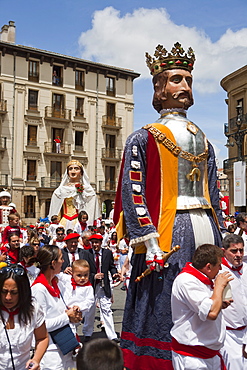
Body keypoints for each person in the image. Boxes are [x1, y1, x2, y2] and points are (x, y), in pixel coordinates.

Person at [114, 42, 225, 368]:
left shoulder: (204, 139)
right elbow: (133, 192)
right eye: (177, 79)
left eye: (188, 80)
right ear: (159, 88)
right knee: (165, 299)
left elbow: (214, 190)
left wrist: (221, 233)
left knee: (207, 292)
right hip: (169, 231)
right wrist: (148, 238)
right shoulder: (144, 137)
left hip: (205, 225)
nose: (185, 86)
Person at [171, 244, 232, 370]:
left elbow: (210, 306)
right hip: (193, 358)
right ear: (208, 267)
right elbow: (211, 314)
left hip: (210, 355)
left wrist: (220, 304)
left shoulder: (204, 279)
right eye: (219, 265)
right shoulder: (187, 281)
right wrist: (219, 287)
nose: (220, 269)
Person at [31, 245, 82, 370]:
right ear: (53, 263)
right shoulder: (39, 289)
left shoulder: (55, 284)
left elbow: (59, 312)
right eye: (60, 258)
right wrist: (67, 316)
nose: (63, 261)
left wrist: (73, 313)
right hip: (50, 352)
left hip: (63, 345)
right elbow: (41, 325)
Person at [0, 264, 48, 370]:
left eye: (14, 292)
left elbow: (42, 338)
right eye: (4, 292)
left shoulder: (33, 309)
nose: (8, 297)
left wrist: (36, 360)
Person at [83, 233, 120, 342]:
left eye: (97, 242)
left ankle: (112, 335)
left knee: (107, 309)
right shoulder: (87, 254)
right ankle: (87, 333)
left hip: (104, 285)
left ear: (101, 243)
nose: (95, 245)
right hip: (92, 285)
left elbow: (111, 267)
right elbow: (84, 270)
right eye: (93, 242)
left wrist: (114, 274)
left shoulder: (107, 253)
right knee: (90, 309)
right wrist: (94, 276)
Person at [48, 160, 99, 232]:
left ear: (81, 173)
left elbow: (91, 205)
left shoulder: (87, 189)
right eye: (70, 168)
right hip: (64, 220)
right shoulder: (61, 189)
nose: (73, 170)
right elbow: (56, 207)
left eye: (76, 168)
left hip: (79, 222)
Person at [220, 234, 247, 369]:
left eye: (241, 250)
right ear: (224, 251)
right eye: (234, 251)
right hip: (228, 334)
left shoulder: (246, 269)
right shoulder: (218, 272)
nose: (238, 254)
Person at [59, 259, 94, 336]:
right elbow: (57, 275)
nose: (82, 278)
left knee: (72, 328)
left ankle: (74, 343)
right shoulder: (67, 279)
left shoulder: (88, 287)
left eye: (85, 275)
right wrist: (64, 271)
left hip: (78, 312)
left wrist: (80, 307)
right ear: (72, 273)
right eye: (79, 275)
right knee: (67, 329)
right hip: (64, 309)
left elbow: (90, 300)